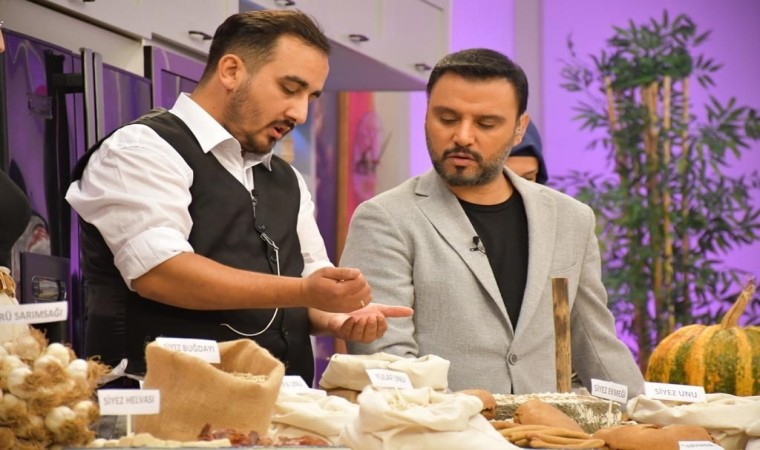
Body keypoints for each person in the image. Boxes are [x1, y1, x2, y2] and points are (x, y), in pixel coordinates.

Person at [65, 10, 411, 383]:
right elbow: (161, 272)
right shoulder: (141, 149)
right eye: (289, 89)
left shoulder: (287, 179)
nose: (300, 113)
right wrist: (305, 290)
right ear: (231, 71)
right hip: (160, 403)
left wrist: (338, 315)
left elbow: (309, 281)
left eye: (310, 97)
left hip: (281, 403)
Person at [341, 48, 644, 397]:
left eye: (486, 124)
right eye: (447, 118)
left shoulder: (570, 218)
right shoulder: (385, 219)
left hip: (546, 424)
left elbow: (594, 341)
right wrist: (463, 418)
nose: (463, 136)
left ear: (519, 129)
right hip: (440, 424)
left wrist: (645, 414)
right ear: (426, 117)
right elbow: (386, 361)